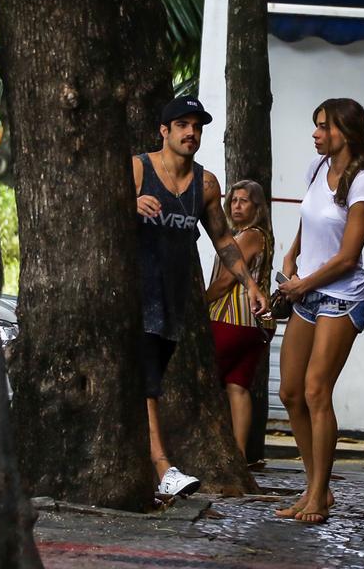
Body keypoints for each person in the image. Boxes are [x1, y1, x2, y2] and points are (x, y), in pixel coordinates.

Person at [133, 96, 268, 497]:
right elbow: (96, 213)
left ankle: (155, 466)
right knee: (148, 382)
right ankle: (163, 468)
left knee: (151, 379)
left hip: (174, 299)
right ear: (164, 130)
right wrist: (129, 203)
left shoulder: (206, 185)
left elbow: (224, 239)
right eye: (182, 125)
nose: (191, 133)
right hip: (137, 296)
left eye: (197, 126)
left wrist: (251, 285)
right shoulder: (139, 169)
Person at [275, 98, 364, 523]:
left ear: (345, 133)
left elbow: (348, 256)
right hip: (308, 293)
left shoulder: (362, 185)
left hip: (341, 296)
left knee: (317, 390)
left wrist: (303, 283)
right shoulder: (317, 170)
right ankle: (317, 486)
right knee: (290, 393)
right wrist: (291, 258)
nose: (315, 134)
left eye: (323, 127)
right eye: (315, 126)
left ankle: (318, 496)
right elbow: (309, 217)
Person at [205, 180, 275, 460]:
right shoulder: (264, 237)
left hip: (230, 319)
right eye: (233, 200)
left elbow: (225, 281)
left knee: (208, 382)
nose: (236, 206)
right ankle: (239, 455)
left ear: (257, 207)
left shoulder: (247, 236)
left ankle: (215, 454)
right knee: (238, 387)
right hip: (256, 327)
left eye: (243, 201)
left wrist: (200, 302)